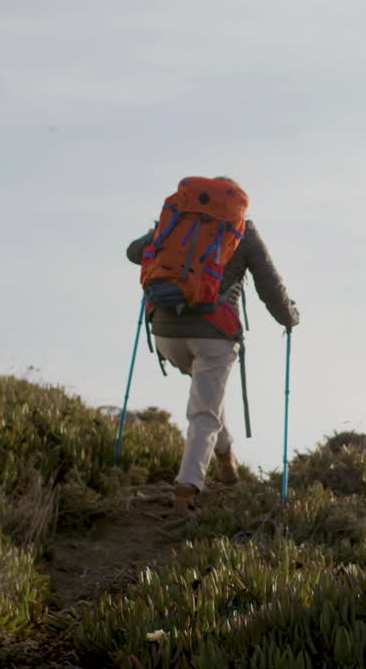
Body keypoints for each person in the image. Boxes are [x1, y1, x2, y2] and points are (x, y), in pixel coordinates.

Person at [126, 178, 299, 517]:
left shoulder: (177, 222)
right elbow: (270, 286)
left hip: (165, 333)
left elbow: (134, 253)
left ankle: (226, 464)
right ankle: (185, 494)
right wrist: (290, 318)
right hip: (214, 334)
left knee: (208, 396)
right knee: (203, 413)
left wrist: (164, 235)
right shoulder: (243, 232)